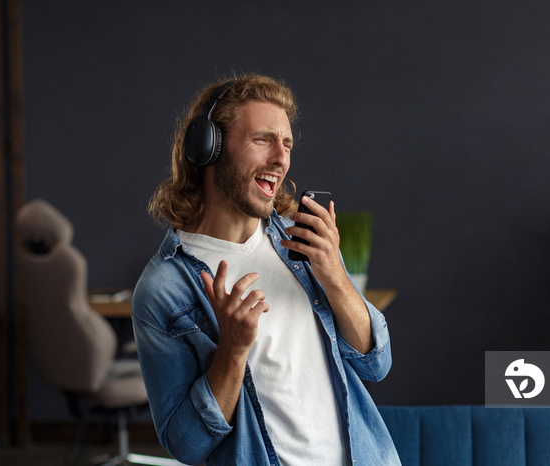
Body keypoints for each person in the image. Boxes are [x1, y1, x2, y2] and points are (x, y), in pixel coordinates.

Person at [131, 73, 400, 466]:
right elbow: (186, 444)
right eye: (262, 140)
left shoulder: (305, 240)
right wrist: (233, 350)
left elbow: (376, 364)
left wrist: (334, 276)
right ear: (209, 148)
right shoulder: (164, 289)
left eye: (287, 143)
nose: (281, 158)